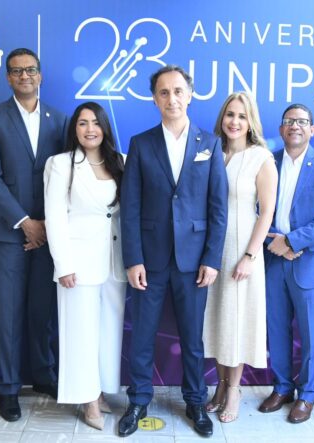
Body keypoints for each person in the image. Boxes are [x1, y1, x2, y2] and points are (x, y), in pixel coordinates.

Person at [118, 65, 228, 438]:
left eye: (178, 91)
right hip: (149, 259)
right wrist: (133, 258)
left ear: (190, 95)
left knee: (192, 339)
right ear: (154, 99)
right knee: (142, 335)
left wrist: (212, 259)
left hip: (194, 261)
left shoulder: (209, 143)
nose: (172, 99)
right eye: (164, 92)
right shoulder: (141, 143)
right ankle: (138, 400)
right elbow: (130, 207)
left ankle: (195, 401)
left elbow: (218, 208)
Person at [0, 47, 68, 422]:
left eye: (30, 70)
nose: (24, 76)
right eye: (16, 71)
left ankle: (44, 376)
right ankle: (9, 388)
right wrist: (24, 222)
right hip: (9, 234)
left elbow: (66, 176)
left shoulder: (59, 120)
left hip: (49, 234)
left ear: (40, 75)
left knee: (43, 312)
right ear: (8, 78)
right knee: (10, 314)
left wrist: (44, 225)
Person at [258, 104, 314, 424]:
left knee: (310, 333)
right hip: (273, 259)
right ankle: (282, 387)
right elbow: (254, 209)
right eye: (289, 121)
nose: (295, 126)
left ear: (312, 129)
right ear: (281, 129)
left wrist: (292, 241)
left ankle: (307, 394)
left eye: (301, 121)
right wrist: (275, 242)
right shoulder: (268, 162)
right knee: (277, 328)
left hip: (309, 263)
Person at [44, 102, 126, 430]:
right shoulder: (61, 164)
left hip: (114, 261)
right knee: (80, 332)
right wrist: (63, 264)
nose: (90, 129)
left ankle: (101, 390)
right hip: (77, 262)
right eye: (82, 123)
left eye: (95, 122)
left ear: (105, 127)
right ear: (74, 129)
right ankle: (87, 400)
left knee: (108, 332)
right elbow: (54, 216)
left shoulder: (120, 161)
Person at [202, 91, 277, 423]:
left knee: (236, 321)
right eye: (230, 114)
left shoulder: (260, 157)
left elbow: (266, 212)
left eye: (242, 116)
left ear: (251, 122)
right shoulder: (210, 152)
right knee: (217, 320)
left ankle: (234, 390)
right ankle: (219, 386)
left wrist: (249, 255)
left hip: (241, 248)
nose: (234, 121)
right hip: (211, 250)